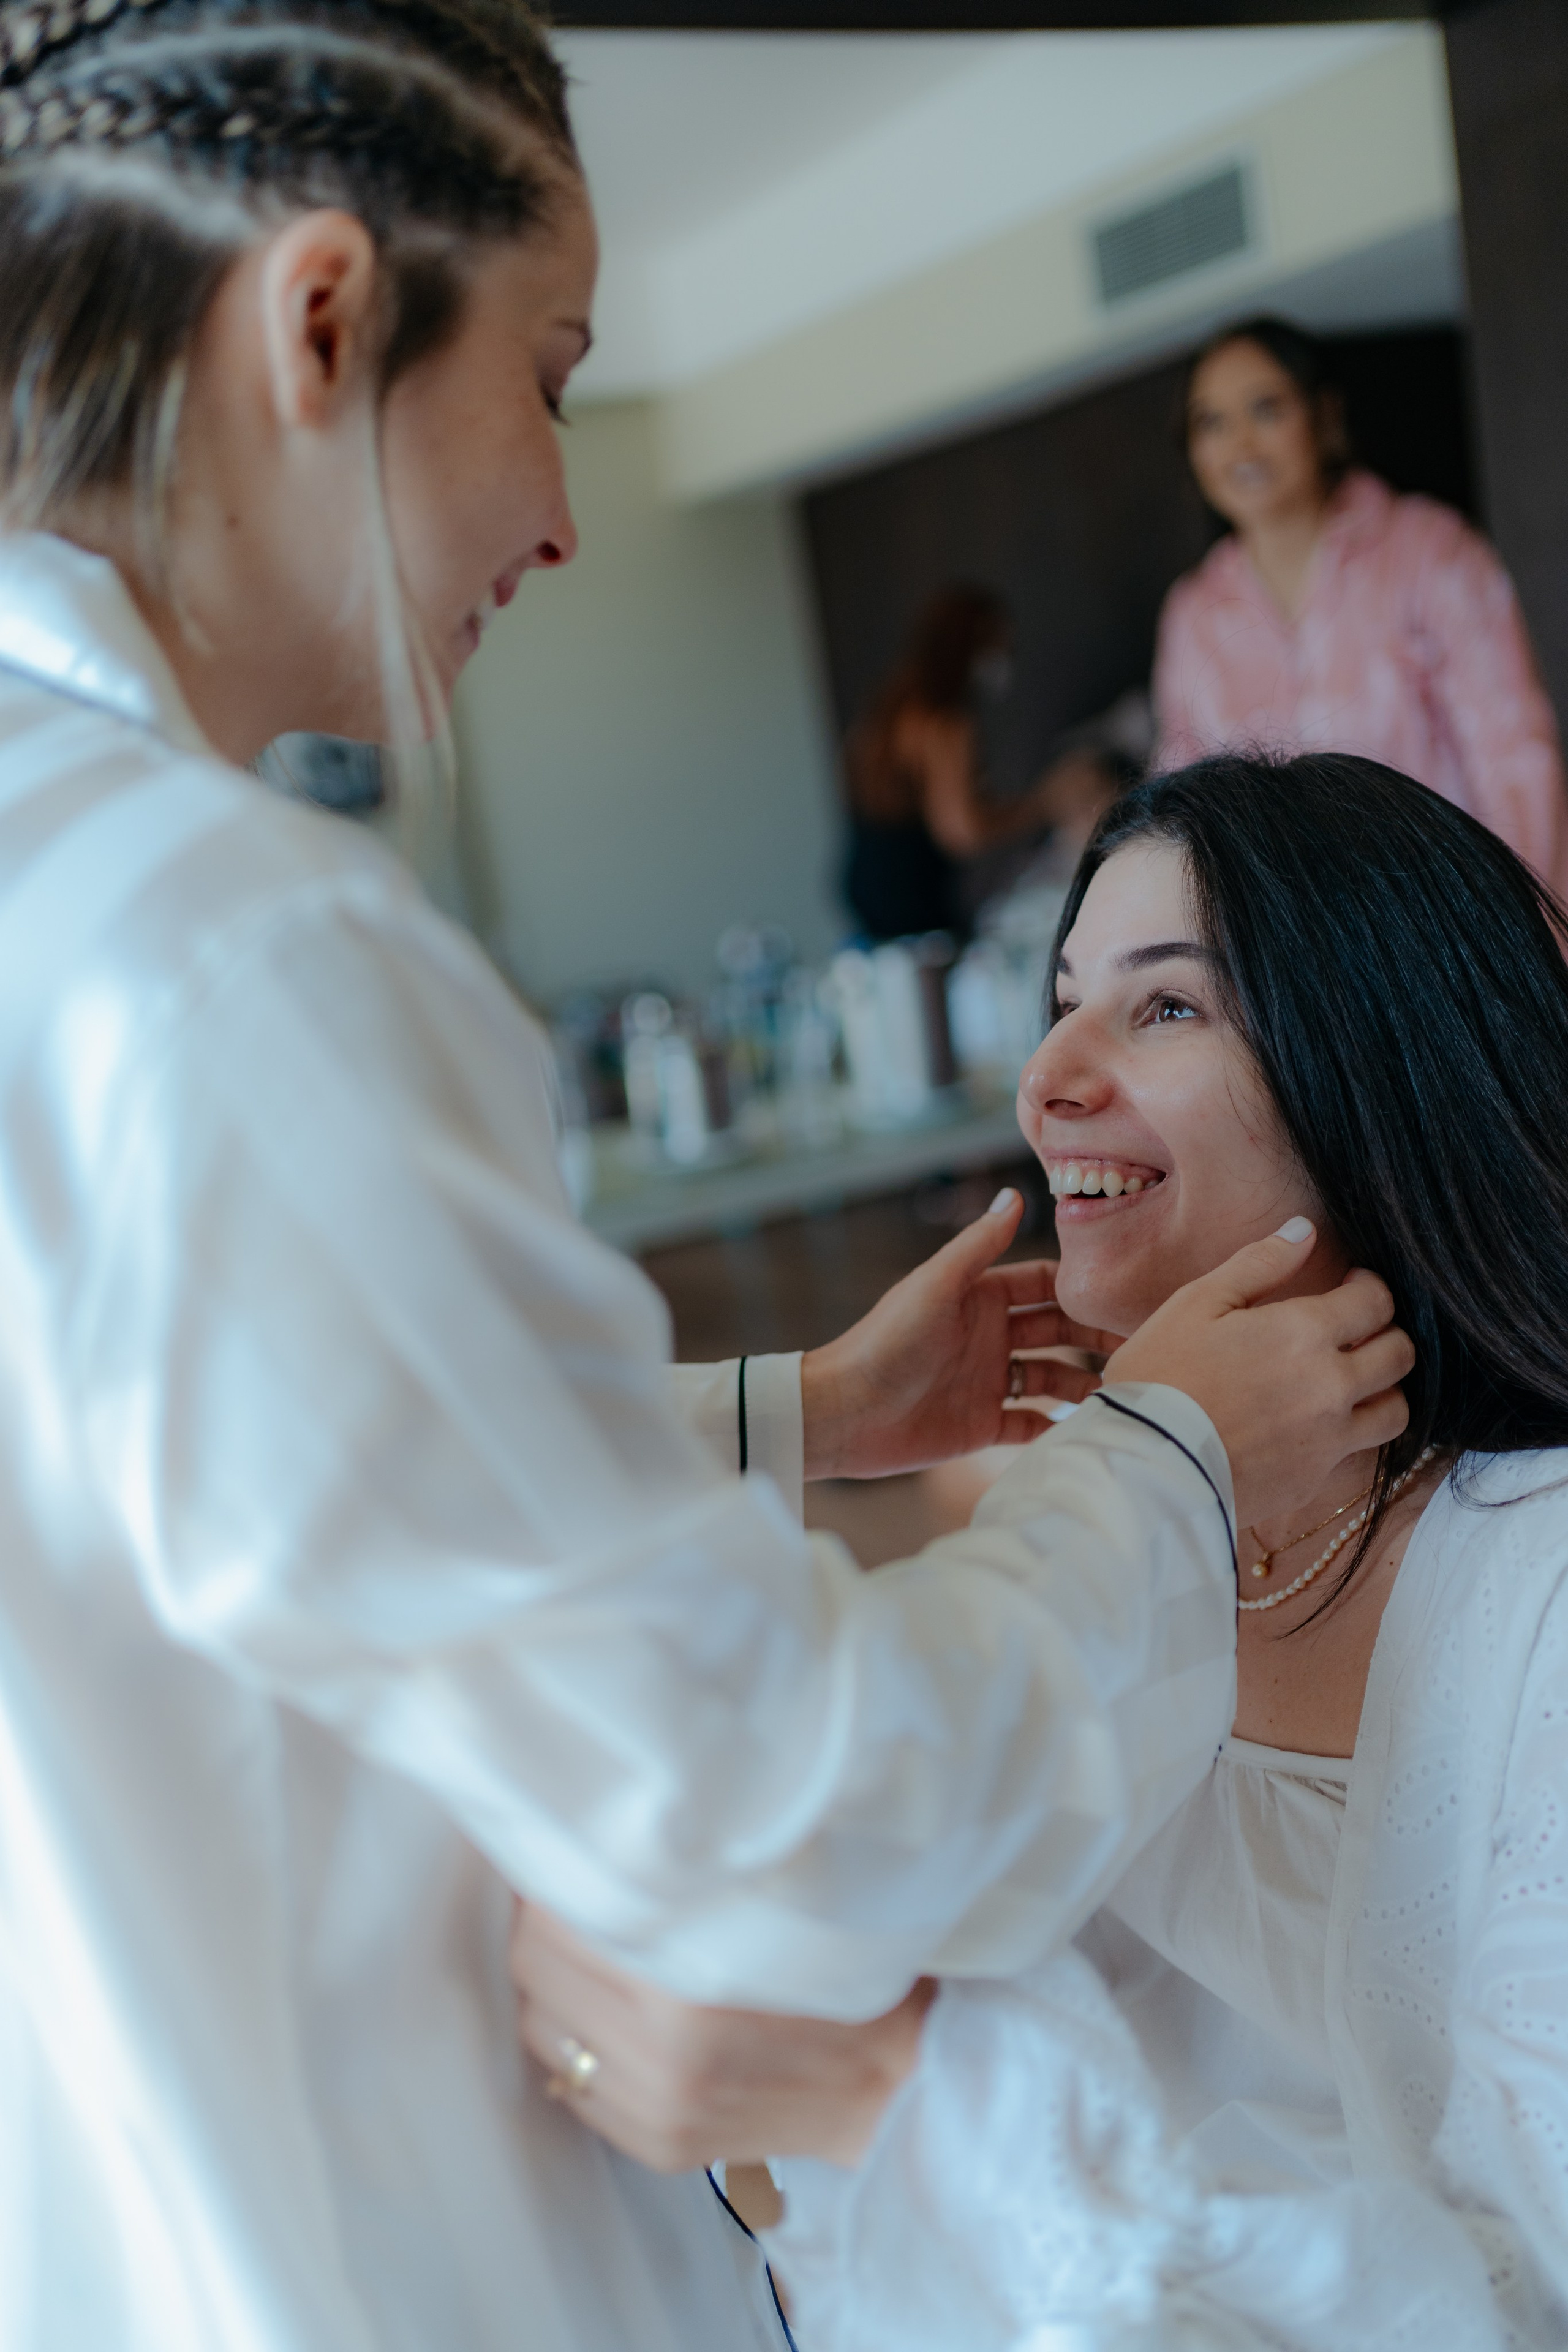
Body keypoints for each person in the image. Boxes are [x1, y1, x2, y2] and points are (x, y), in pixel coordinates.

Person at [0, 8, 1413, 2345]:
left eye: (1162, 1000)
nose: (561, 507)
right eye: (551, 375)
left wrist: (796, 1420)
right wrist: (1161, 1472)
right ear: (321, 318)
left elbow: (184, 1484)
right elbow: (807, 1841)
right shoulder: (226, 952)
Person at [511, 752, 1568, 2349]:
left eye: (1162, 1008)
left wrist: (888, 2110)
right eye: (1064, 998)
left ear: (1385, 1060)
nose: (1047, 1079)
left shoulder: (1536, 1590)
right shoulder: (1077, 1519)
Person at [1153, 315, 1568, 892]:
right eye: (1211, 422)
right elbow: (1183, 804)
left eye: (1267, 408)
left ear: (1325, 419)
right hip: (1289, 959)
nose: (1239, 443)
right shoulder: (1192, 612)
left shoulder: (1431, 550)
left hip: (1445, 928)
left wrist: (1523, 940)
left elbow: (1516, 760)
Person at [843, 584, 1057, 939]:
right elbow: (961, 831)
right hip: (912, 900)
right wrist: (1044, 805)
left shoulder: (889, 706)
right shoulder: (945, 721)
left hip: (864, 883)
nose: (1006, 658)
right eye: (998, 646)